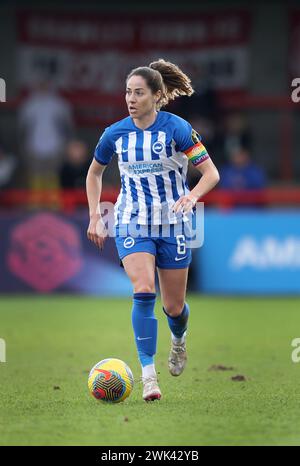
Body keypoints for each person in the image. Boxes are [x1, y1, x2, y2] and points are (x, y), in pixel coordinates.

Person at [86, 59, 220, 402]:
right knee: (144, 290)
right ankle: (148, 376)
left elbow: (211, 174)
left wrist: (191, 197)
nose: (131, 99)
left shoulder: (177, 128)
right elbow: (94, 173)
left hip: (173, 223)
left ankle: (178, 339)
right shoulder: (114, 134)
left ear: (157, 96)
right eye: (128, 92)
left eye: (139, 93)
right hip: (132, 221)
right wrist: (94, 216)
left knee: (174, 307)